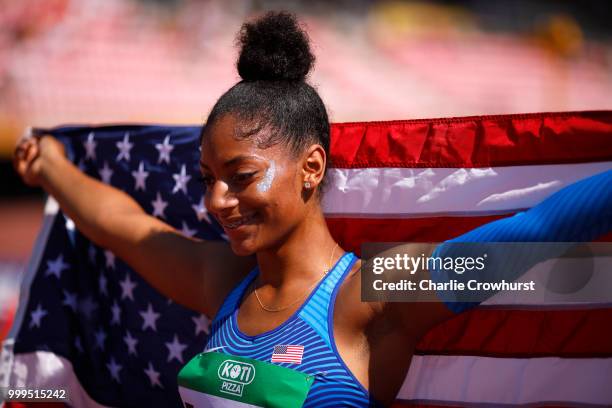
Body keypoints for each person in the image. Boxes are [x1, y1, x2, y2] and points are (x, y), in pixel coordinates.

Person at [13, 11, 612, 408]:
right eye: (207, 179)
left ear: (313, 167)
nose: (215, 201)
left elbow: (536, 233)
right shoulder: (222, 280)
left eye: (240, 177)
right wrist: (51, 167)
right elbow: (127, 229)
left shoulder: (372, 293)